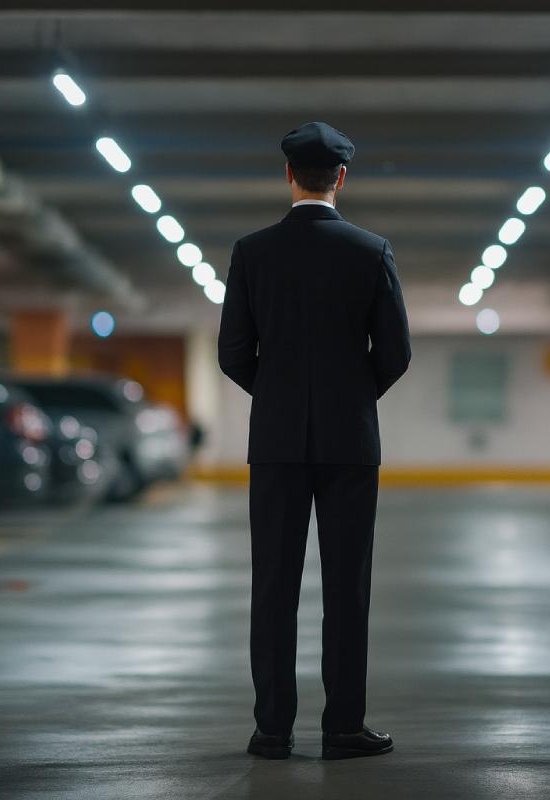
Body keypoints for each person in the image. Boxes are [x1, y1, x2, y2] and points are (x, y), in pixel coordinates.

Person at [218, 121, 411, 760]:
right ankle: (342, 728)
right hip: (349, 444)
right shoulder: (371, 250)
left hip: (274, 443)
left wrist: (276, 397)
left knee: (272, 584)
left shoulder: (251, 252)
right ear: (342, 177)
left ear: (289, 176)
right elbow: (396, 352)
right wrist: (351, 397)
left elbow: (233, 353)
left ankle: (272, 730)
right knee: (346, 588)